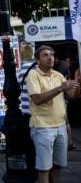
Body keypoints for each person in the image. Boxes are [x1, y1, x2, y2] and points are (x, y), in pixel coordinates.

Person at [26, 45, 80, 183]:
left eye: (51, 54)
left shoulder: (58, 75)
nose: (50, 57)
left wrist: (78, 84)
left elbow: (73, 96)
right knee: (44, 167)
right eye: (45, 55)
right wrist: (60, 88)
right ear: (38, 60)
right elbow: (37, 99)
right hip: (43, 127)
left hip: (61, 126)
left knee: (57, 165)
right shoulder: (33, 75)